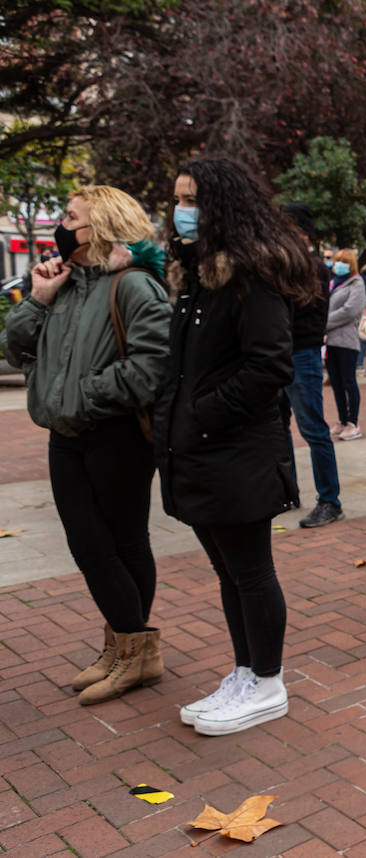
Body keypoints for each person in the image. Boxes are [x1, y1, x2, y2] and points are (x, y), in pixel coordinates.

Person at [156, 157, 309, 736]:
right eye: (177, 198)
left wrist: (199, 415)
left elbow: (268, 365)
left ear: (221, 205)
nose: (181, 210)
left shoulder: (252, 276)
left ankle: (267, 681)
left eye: (191, 199)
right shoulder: (196, 276)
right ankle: (246, 670)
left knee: (249, 569)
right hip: (199, 451)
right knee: (228, 570)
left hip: (234, 450)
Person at [4, 186, 171, 705]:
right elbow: (13, 347)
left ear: (98, 225)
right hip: (66, 435)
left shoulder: (136, 285)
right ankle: (124, 644)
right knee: (89, 545)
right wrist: (37, 299)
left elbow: (152, 367)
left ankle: (135, 652)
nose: (61, 224)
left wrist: (81, 392)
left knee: (119, 544)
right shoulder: (65, 284)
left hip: (116, 435)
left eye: (70, 216)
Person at [279, 203, 344, 529]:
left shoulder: (312, 267)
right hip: (278, 354)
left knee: (313, 429)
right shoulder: (283, 264)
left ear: (301, 232)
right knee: (277, 426)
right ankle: (286, 491)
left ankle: (329, 500)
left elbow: (305, 316)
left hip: (301, 354)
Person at [325, 249, 366, 442]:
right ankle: (342, 419)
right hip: (331, 341)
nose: (338, 264)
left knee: (348, 382)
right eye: (337, 261)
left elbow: (350, 311)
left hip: (346, 341)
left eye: (343, 261)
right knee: (336, 382)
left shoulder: (357, 283)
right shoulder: (334, 283)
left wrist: (323, 322)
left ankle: (353, 423)